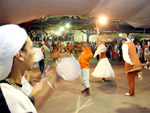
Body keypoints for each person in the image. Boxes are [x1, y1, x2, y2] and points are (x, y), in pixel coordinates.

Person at [0, 24, 59, 112]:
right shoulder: (12, 100)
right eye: (31, 47)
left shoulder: (11, 85)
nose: (34, 52)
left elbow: (27, 99)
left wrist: (41, 87)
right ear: (20, 55)